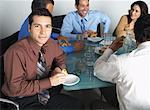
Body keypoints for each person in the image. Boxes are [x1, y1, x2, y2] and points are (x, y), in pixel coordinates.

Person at [2, 8, 81, 110]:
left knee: (77, 105)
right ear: (29, 28)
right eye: (37, 26)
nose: (43, 32)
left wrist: (59, 68)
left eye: (47, 26)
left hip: (43, 92)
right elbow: (15, 89)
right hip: (21, 99)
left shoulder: (51, 43)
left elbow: (60, 56)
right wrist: (50, 82)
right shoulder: (16, 52)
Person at [94, 14, 150, 110]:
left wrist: (110, 49)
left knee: (95, 104)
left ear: (135, 35)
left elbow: (97, 70)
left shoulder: (123, 62)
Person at [18, 0, 83, 53]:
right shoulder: (31, 30)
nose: (50, 16)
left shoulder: (34, 19)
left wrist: (58, 36)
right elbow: (47, 51)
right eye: (48, 13)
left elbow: (48, 36)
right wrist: (73, 48)